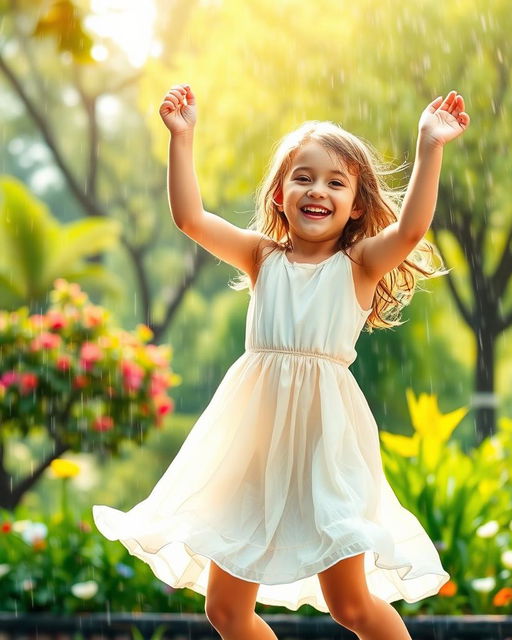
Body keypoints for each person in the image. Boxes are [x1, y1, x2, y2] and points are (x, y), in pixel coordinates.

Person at [93, 83, 470, 640]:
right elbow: (191, 218)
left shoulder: (360, 265)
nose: (317, 190)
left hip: (322, 447)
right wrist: (182, 138)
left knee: (351, 605)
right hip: (253, 447)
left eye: (335, 182)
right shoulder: (260, 257)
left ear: (357, 205)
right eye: (303, 177)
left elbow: (412, 229)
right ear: (279, 195)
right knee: (225, 610)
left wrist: (429, 145)